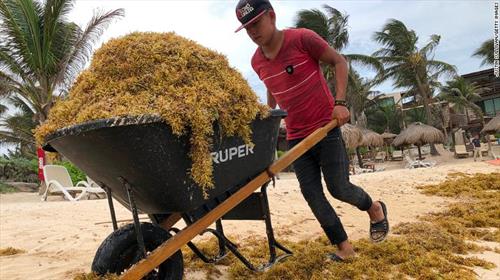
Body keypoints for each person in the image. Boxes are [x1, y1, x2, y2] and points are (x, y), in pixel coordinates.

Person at [235, 0, 389, 261]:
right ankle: (345, 249)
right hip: (296, 138)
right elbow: (271, 84)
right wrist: (269, 114)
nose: (253, 32)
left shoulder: (303, 39)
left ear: (271, 16)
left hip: (324, 129)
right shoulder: (256, 61)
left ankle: (374, 209)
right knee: (312, 195)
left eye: (256, 23)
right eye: (246, 27)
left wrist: (339, 103)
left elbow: (339, 62)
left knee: (338, 187)